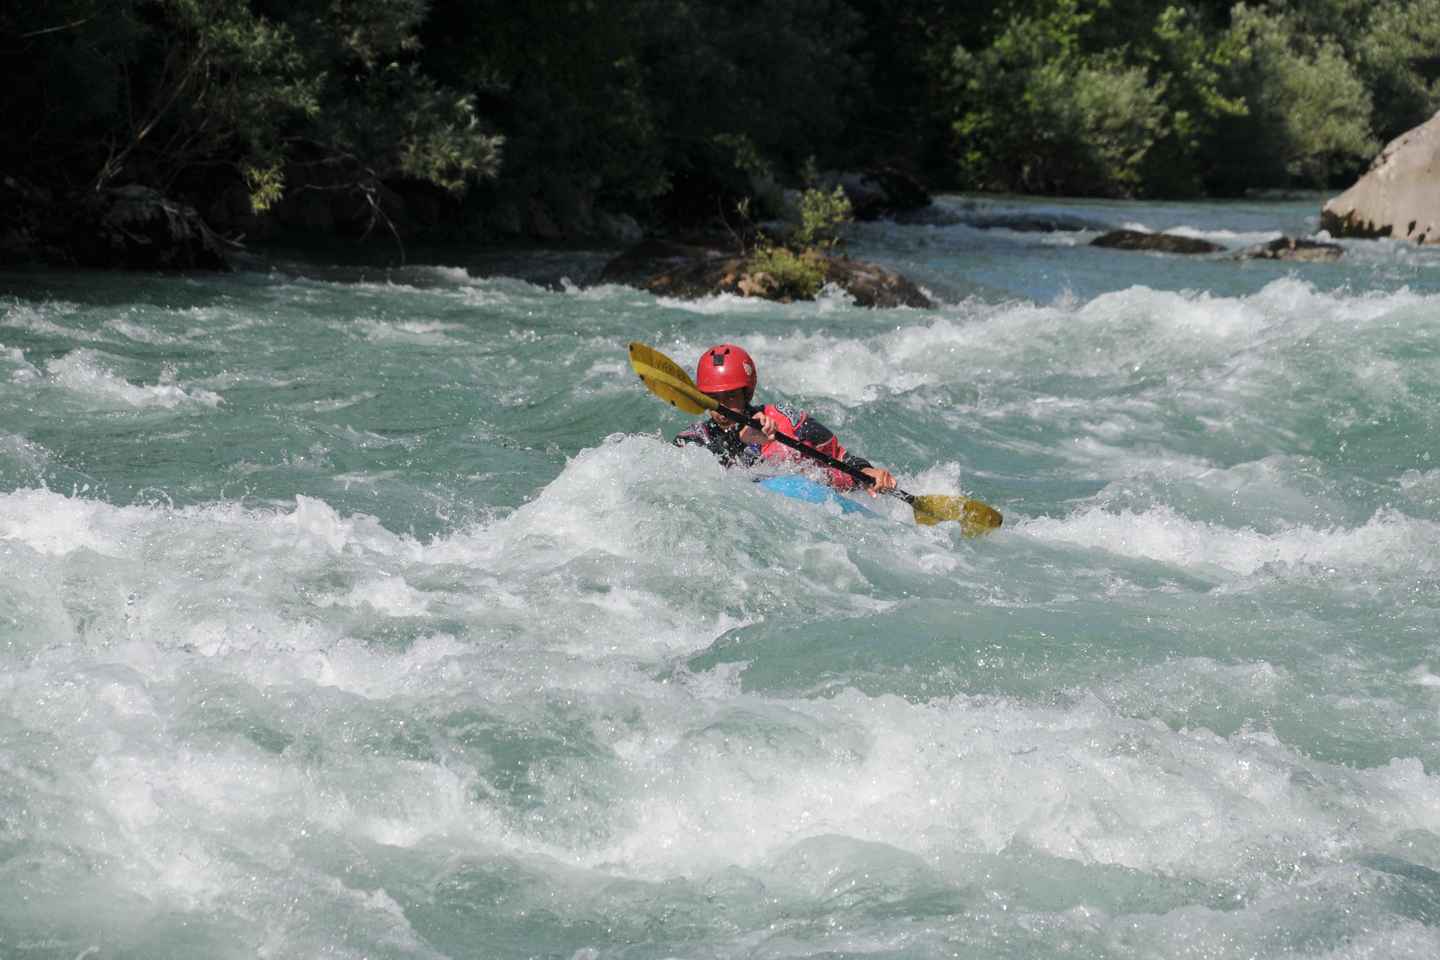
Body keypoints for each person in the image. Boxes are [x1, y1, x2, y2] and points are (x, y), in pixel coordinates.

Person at [673, 343, 897, 495]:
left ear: (746, 394)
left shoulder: (787, 419)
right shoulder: (694, 439)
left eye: (730, 396)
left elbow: (838, 456)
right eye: (713, 398)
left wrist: (867, 473)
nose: (722, 409)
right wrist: (739, 440)